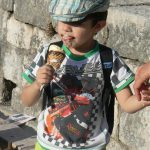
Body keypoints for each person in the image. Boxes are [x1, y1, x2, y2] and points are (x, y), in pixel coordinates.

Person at [21, 0, 150, 149]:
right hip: (48, 145)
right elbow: (26, 101)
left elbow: (127, 103)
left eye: (75, 22)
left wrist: (143, 99)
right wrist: (37, 84)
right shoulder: (48, 52)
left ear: (98, 26)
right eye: (61, 20)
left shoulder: (108, 59)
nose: (65, 28)